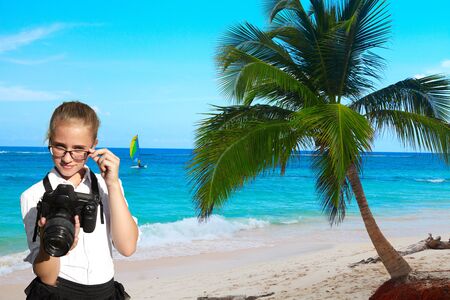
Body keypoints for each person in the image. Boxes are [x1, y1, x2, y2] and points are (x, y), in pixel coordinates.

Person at [20, 101, 139, 299]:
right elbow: (47, 277)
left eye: (78, 149)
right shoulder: (33, 196)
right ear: (50, 141)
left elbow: (127, 247)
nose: (67, 158)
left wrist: (113, 185)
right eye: (59, 147)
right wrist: (50, 246)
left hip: (106, 293)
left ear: (93, 147)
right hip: (58, 293)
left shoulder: (106, 186)